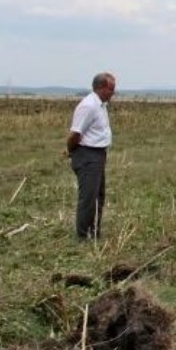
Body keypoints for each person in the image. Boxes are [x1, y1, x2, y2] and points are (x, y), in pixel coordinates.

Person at [66, 72, 116, 240]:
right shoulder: (89, 106)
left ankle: (94, 232)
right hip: (88, 155)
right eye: (111, 89)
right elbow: (74, 134)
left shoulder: (101, 105)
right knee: (88, 198)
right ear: (100, 88)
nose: (113, 93)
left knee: (98, 196)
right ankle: (83, 236)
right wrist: (72, 151)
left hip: (98, 155)